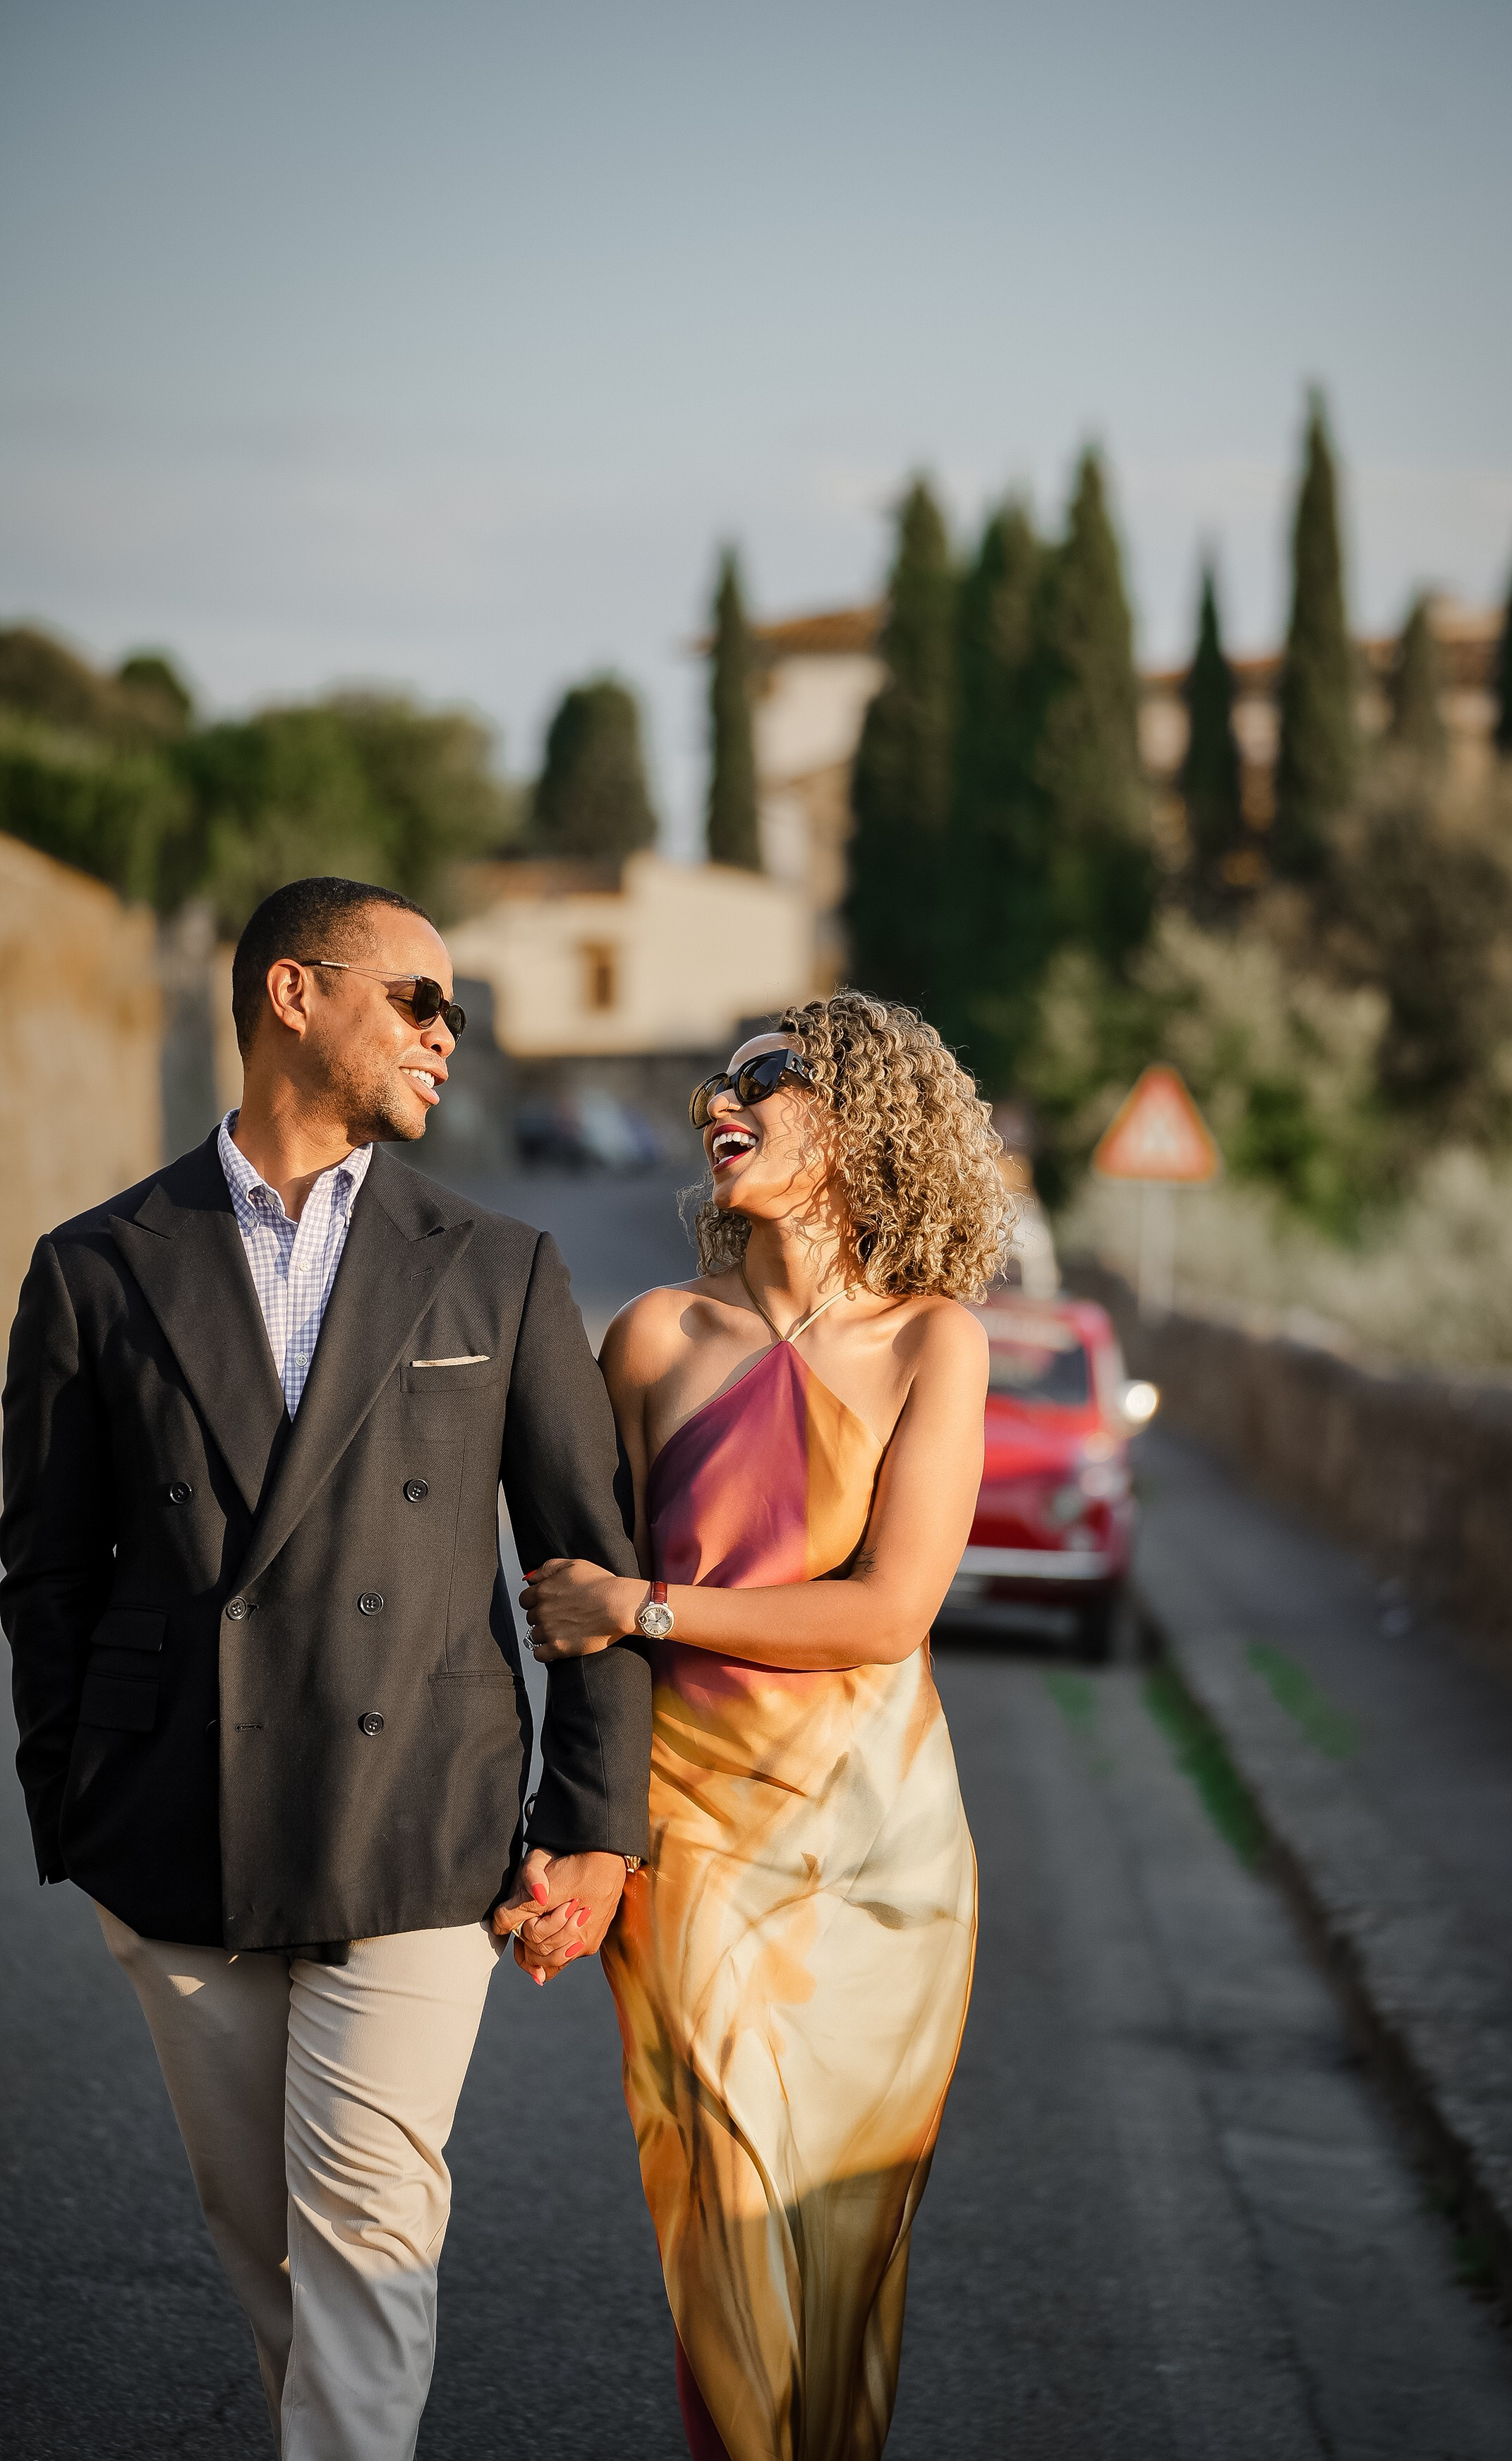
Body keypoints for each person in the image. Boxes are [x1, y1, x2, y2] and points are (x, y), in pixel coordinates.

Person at [1, 875, 650, 2460]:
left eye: (456, 1011)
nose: (450, 1033)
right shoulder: (98, 1266)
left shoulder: (496, 1267)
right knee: (263, 2243)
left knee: (367, 2234)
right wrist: (77, 1810)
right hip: (176, 1834)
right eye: (419, 1000)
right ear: (294, 997)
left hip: (416, 1823)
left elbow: (587, 1574)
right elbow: (46, 1570)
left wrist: (598, 1823)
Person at [504, 991, 1015, 2461]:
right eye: (712, 1085)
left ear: (862, 1120)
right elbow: (572, 1611)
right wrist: (573, 1836)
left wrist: (648, 1607)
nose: (717, 1104)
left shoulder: (937, 1344)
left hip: (885, 1859)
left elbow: (883, 1613)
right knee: (723, 2210)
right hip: (694, 1841)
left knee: (847, 2251)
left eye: (765, 1078)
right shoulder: (657, 1337)